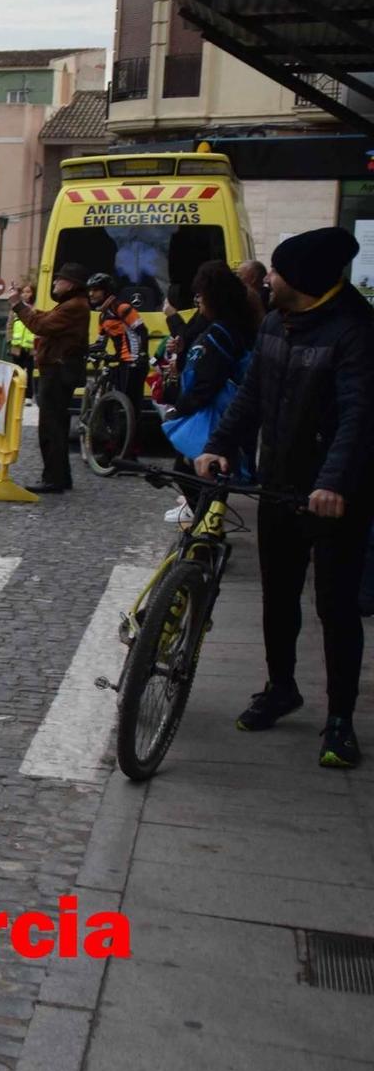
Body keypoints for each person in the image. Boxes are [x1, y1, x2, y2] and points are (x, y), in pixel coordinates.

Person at [197, 228, 372, 770]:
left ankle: (340, 719)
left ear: (303, 279)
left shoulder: (356, 332)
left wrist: (335, 483)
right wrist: (219, 446)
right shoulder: (276, 322)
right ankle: (281, 687)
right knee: (279, 596)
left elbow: (358, 415)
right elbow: (252, 395)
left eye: (275, 271)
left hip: (334, 494)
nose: (265, 278)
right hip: (277, 483)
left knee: (336, 607)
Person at [158, 262, 258, 524]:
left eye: (200, 294)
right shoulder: (234, 325)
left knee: (194, 469)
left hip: (212, 413)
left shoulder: (219, 333)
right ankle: (207, 521)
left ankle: (205, 526)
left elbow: (206, 382)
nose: (197, 300)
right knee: (209, 470)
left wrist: (180, 407)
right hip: (221, 412)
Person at [10, 264, 93, 494]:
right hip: (58, 370)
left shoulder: (74, 306)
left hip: (58, 372)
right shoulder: (71, 304)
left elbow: (41, 325)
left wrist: (18, 305)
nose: (55, 283)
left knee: (51, 428)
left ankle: (53, 478)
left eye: (60, 280)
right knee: (55, 426)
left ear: (72, 284)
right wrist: (25, 306)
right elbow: (44, 317)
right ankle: (60, 476)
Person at [87, 271, 151, 402]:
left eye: (96, 290)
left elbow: (142, 330)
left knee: (130, 402)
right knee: (114, 400)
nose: (91, 294)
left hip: (134, 361)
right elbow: (100, 344)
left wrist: (143, 354)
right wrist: (83, 350)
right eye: (90, 290)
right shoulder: (103, 315)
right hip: (121, 360)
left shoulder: (122, 308)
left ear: (106, 291)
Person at [8, 281, 38, 398]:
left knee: (29, 373)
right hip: (17, 345)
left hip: (30, 347)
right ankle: (14, 394)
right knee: (16, 372)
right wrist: (9, 340)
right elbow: (9, 325)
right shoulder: (15, 308)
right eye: (23, 292)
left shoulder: (36, 308)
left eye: (28, 292)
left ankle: (28, 396)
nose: (25, 295)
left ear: (33, 294)